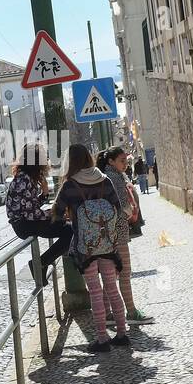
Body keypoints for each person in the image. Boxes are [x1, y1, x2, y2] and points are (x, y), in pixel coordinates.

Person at [54, 143, 129, 352]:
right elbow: (117, 207)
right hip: (107, 245)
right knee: (112, 289)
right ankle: (122, 333)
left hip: (85, 247)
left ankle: (102, 338)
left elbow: (57, 213)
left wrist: (73, 216)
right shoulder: (104, 180)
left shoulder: (70, 185)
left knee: (95, 292)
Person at [98, 146, 154, 325]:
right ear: (111, 161)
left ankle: (107, 314)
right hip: (118, 232)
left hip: (109, 232)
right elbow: (121, 206)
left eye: (126, 160)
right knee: (124, 273)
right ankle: (131, 312)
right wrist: (130, 212)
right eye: (122, 161)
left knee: (111, 274)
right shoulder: (114, 177)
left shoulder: (106, 175)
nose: (125, 164)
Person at [6, 141, 73, 287]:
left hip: (25, 223)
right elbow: (31, 214)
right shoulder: (24, 180)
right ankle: (40, 264)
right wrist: (55, 214)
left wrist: (44, 193)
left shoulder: (25, 177)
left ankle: (41, 263)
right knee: (70, 230)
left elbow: (30, 205)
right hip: (25, 225)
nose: (47, 162)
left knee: (68, 227)